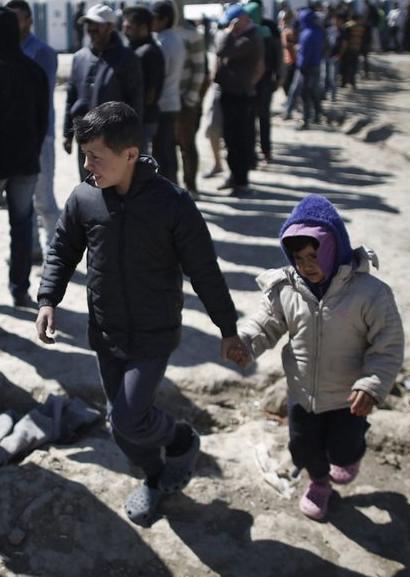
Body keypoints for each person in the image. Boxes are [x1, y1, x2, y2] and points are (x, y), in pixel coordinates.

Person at [36, 102, 249, 527]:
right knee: (121, 428)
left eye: (97, 156)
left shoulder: (171, 203)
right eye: (85, 154)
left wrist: (227, 328)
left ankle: (182, 439)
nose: (87, 164)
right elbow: (62, 250)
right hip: (106, 330)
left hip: (154, 332)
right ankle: (154, 477)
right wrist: (48, 299)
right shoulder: (84, 198)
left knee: (129, 417)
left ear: (130, 154)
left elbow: (204, 269)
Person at [226, 194, 405, 521]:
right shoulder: (287, 288)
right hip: (302, 394)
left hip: (348, 398)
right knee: (304, 449)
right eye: (298, 257)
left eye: (314, 255)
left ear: (335, 247)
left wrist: (372, 385)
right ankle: (319, 484)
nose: (307, 265)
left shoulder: (371, 294)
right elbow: (267, 321)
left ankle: (349, 457)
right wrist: (246, 342)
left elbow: (388, 344)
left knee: (343, 448)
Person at [0, 6, 49, 309]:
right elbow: (42, 121)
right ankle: (20, 290)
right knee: (22, 227)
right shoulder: (35, 71)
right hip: (26, 163)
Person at [5, 0, 60, 265]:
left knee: (44, 199)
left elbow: (41, 97)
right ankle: (33, 249)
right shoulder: (6, 50)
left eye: (17, 19)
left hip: (40, 134)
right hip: (16, 136)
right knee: (22, 200)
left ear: (28, 21)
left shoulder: (42, 52)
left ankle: (55, 251)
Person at [64, 4, 143, 181]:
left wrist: (131, 139)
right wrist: (67, 134)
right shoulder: (80, 57)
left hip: (114, 140)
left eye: (97, 24)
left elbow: (136, 101)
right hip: (86, 137)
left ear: (110, 27)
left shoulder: (127, 58)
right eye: (89, 24)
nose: (91, 29)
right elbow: (72, 96)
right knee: (88, 187)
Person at [214, 3, 263, 198]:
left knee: (240, 139)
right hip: (231, 93)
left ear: (243, 19)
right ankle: (234, 176)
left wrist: (228, 32)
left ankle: (241, 181)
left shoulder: (250, 38)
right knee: (230, 138)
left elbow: (221, 50)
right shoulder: (242, 36)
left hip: (240, 95)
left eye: (234, 22)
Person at [171, 0, 208, 197]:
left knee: (187, 145)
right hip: (168, 101)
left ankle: (191, 185)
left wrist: (191, 98)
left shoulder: (192, 34)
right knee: (168, 147)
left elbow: (199, 69)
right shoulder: (164, 33)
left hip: (186, 101)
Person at [148, 0, 185, 186]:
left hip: (162, 103)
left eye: (154, 18)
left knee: (161, 152)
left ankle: (168, 191)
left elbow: (157, 77)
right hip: (173, 101)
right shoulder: (175, 37)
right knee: (168, 149)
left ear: (164, 19)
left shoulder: (162, 42)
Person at [121, 5, 164, 154]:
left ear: (143, 28)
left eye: (129, 27)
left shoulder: (148, 52)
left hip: (143, 121)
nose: (125, 31)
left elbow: (150, 95)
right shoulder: (135, 50)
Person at [244, 0, 281, 165]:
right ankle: (262, 151)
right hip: (264, 79)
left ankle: (261, 151)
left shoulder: (256, 29)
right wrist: (280, 76)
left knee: (257, 117)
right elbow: (278, 54)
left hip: (256, 80)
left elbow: (277, 53)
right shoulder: (268, 28)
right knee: (260, 117)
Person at [295, 8, 325, 130]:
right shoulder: (318, 31)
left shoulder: (306, 33)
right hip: (316, 64)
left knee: (305, 93)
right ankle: (318, 114)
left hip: (306, 67)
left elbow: (304, 53)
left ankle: (305, 119)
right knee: (314, 91)